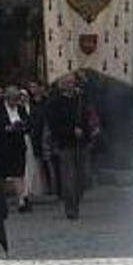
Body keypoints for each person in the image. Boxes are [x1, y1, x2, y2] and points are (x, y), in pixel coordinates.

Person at [46, 73, 93, 219]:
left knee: (83, 176)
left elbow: (87, 118)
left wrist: (86, 133)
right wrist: (70, 131)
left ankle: (76, 199)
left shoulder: (80, 100)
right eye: (68, 83)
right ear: (62, 85)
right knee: (69, 177)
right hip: (65, 144)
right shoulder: (54, 103)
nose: (71, 85)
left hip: (82, 143)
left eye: (73, 82)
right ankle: (71, 207)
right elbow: (54, 125)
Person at [0, 86, 31, 212]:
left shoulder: (21, 109)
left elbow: (28, 124)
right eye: (12, 99)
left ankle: (22, 200)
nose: (14, 102)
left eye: (16, 99)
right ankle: (1, 201)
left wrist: (22, 127)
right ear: (7, 99)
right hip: (3, 147)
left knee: (19, 173)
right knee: (2, 175)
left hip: (18, 145)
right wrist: (6, 129)